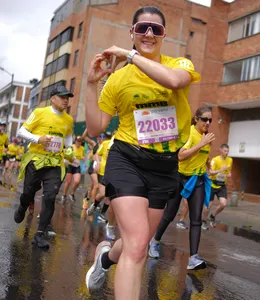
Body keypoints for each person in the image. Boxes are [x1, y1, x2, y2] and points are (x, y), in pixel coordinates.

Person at [84, 6, 201, 299]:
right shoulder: (118, 80)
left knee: (137, 242)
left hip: (164, 166)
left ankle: (106, 257)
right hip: (127, 159)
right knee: (138, 246)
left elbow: (175, 82)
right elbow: (96, 127)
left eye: (156, 29)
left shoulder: (180, 64)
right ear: (132, 32)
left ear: (164, 36)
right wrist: (90, 83)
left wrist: (130, 55)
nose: (149, 34)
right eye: (142, 28)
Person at [149, 107, 214, 270]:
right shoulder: (188, 134)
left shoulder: (207, 138)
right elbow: (181, 155)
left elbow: (204, 156)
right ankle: (155, 240)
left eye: (210, 120)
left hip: (196, 179)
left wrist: (208, 166)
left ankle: (193, 258)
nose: (208, 123)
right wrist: (201, 144)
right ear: (196, 119)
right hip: (179, 178)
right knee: (170, 214)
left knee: (196, 218)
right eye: (205, 119)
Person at [14, 86, 74, 249]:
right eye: (62, 97)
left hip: (55, 163)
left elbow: (68, 137)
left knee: (50, 196)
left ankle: (39, 235)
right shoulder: (40, 113)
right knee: (28, 192)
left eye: (67, 97)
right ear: (52, 98)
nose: (65, 100)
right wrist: (38, 139)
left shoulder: (68, 119)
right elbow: (22, 131)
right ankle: (23, 205)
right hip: (36, 160)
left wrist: (69, 149)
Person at [202, 144, 233, 229]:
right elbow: (210, 172)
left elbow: (228, 171)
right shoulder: (215, 160)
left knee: (223, 204)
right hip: (212, 184)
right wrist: (220, 170)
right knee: (208, 205)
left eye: (227, 151)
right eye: (225, 151)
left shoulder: (230, 160)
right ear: (220, 150)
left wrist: (229, 174)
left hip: (221, 185)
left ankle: (212, 216)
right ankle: (204, 221)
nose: (226, 153)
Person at [61, 136, 85, 203]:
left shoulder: (82, 148)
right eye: (77, 141)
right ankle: (64, 195)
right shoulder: (71, 146)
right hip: (70, 165)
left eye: (80, 141)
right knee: (68, 182)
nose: (78, 143)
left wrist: (83, 158)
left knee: (77, 181)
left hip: (77, 166)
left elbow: (83, 156)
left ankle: (72, 193)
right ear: (75, 141)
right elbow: (66, 154)